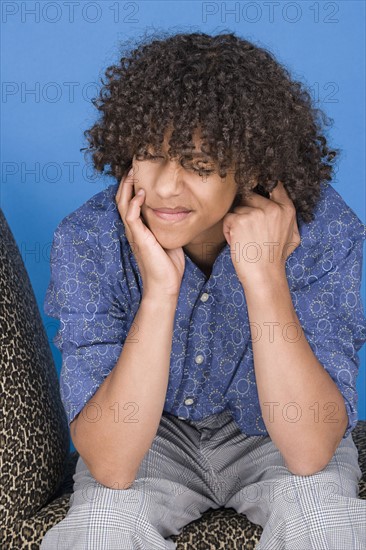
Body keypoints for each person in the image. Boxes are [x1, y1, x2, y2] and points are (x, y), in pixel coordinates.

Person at [40, 30, 366, 549]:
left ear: (251, 165)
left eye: (199, 162)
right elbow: (113, 463)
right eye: (149, 154)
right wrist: (160, 293)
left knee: (326, 523)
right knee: (99, 529)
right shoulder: (88, 239)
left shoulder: (325, 230)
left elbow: (308, 451)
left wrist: (265, 278)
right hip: (151, 436)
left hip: (272, 435)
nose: (167, 187)